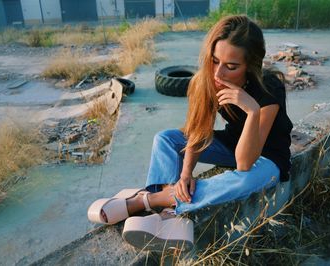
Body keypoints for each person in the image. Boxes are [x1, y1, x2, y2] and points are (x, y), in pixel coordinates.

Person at [88, 15, 293, 251]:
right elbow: (198, 132)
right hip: (229, 144)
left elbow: (244, 162)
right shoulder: (208, 81)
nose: (218, 74)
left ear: (251, 66)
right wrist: (185, 173)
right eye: (215, 61)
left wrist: (252, 110)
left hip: (265, 157)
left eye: (232, 66)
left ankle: (147, 201)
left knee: (244, 180)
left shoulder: (269, 87)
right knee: (166, 139)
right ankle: (169, 213)